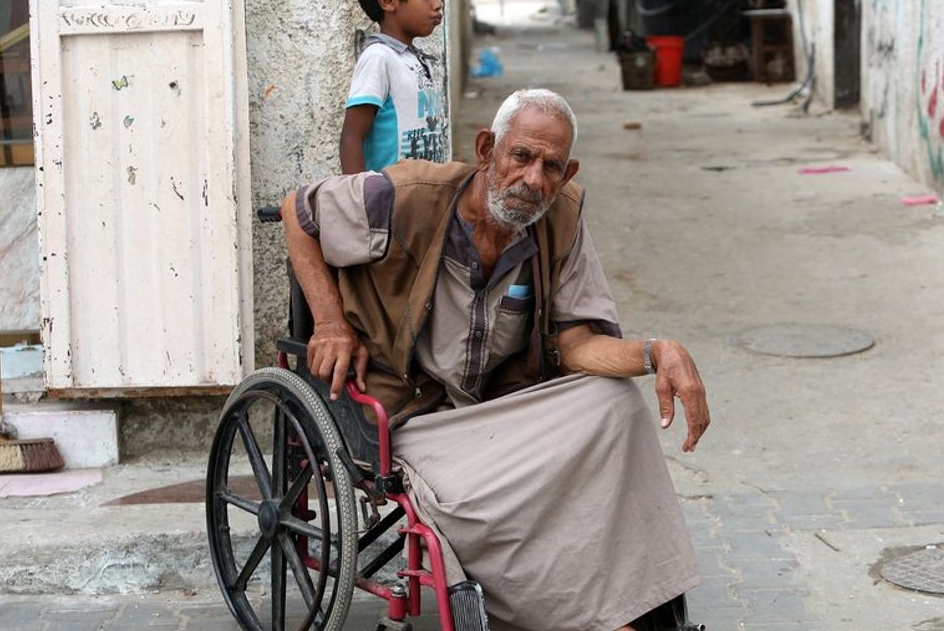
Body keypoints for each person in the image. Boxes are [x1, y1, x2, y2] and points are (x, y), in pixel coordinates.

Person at [283, 89, 710, 631]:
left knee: (615, 404)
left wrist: (655, 353)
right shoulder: (407, 196)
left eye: (551, 166)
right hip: (410, 417)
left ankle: (643, 606)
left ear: (567, 171)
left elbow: (578, 345)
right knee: (474, 501)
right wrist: (329, 322)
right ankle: (574, 616)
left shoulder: (561, 218)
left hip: (497, 410)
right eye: (521, 157)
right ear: (487, 148)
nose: (534, 180)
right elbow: (299, 213)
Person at [340, 0, 447, 174]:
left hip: (421, 197)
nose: (437, 4)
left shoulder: (414, 59)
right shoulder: (378, 57)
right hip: (388, 201)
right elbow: (352, 137)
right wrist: (360, 200)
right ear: (388, 1)